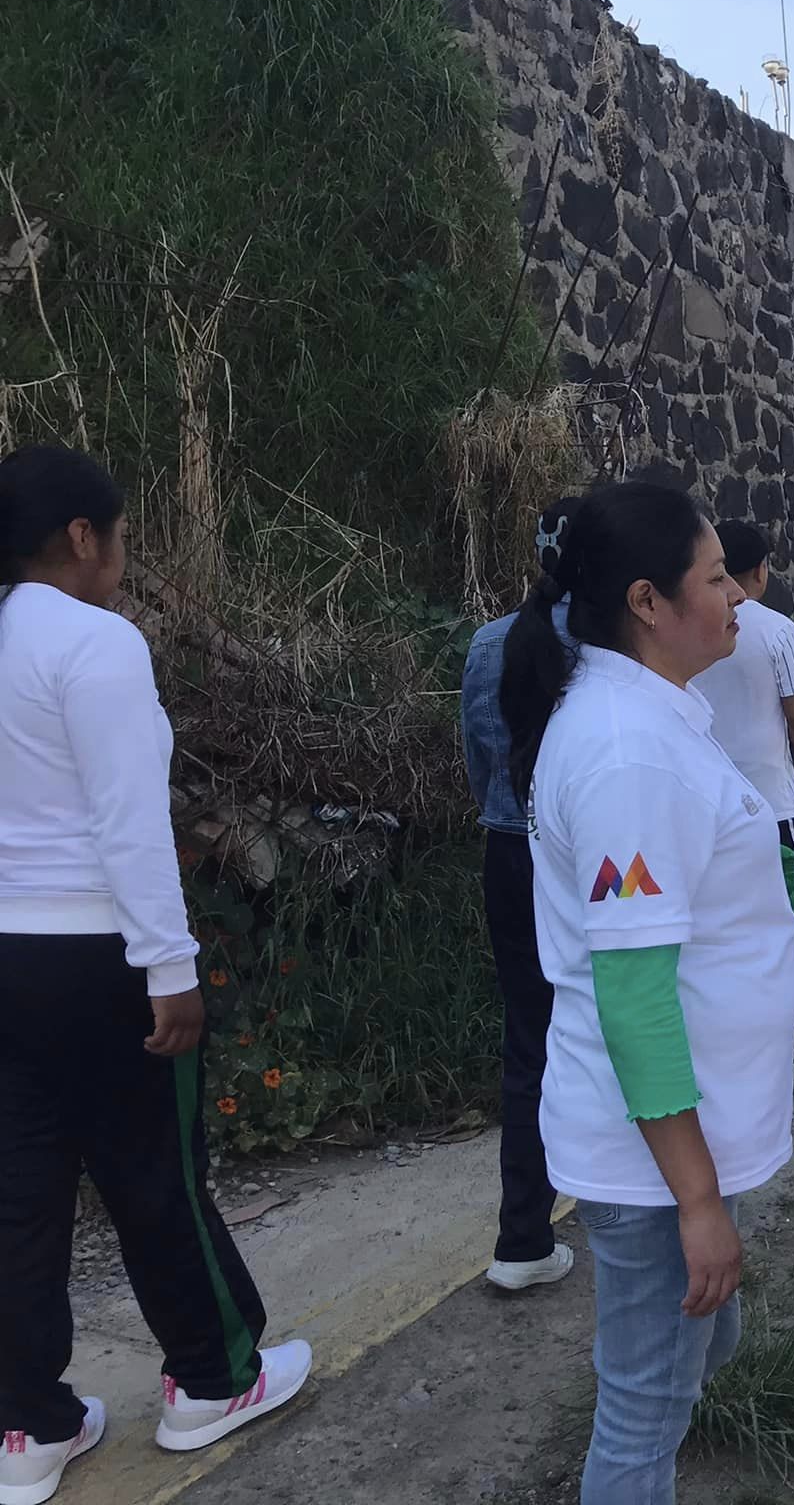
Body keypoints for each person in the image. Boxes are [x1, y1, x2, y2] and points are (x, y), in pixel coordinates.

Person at [498, 480, 794, 1504]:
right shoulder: (628, 750)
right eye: (715, 581)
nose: (738, 601)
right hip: (654, 1164)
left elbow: (712, 890)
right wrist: (697, 1201)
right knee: (643, 1413)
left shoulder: (659, 713)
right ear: (648, 603)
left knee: (692, 1351)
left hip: (681, 1137)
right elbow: (632, 995)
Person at [0, 445, 313, 1505]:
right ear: (82, 539)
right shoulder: (98, 643)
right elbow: (128, 821)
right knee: (153, 1171)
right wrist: (168, 965)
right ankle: (213, 1381)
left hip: (7, 956)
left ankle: (30, 1427)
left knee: (20, 1192)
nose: (123, 557)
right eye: (121, 536)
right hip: (101, 954)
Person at [462, 497, 584, 1294]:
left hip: (506, 852)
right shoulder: (611, 649)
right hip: (582, 861)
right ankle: (632, 1204)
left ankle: (522, 1239)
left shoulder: (486, 643)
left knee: (529, 1043)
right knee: (615, 1026)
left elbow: (478, 764)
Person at [692, 521, 794, 887]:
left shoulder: (687, 631)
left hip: (708, 803)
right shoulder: (777, 630)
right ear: (760, 570)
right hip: (771, 801)